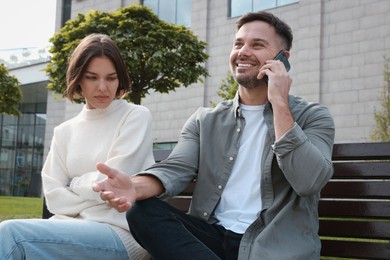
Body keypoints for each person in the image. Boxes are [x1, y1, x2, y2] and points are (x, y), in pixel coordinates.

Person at [93, 11, 335, 260]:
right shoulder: (204, 120)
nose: (243, 52)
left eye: (257, 45)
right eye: (238, 44)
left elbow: (309, 181)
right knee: (141, 212)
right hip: (210, 241)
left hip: (273, 246)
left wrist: (280, 103)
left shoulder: (313, 117)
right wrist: (133, 187)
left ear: (283, 59)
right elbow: (176, 169)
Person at [0, 34, 154, 260]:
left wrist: (73, 183)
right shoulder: (65, 131)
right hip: (66, 228)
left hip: (121, 233)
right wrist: (92, 190)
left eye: (111, 78)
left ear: (119, 79)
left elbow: (114, 186)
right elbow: (53, 197)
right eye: (92, 77)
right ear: (78, 78)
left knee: (11, 234)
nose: (103, 87)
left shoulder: (135, 116)